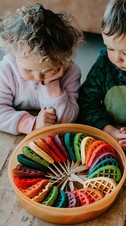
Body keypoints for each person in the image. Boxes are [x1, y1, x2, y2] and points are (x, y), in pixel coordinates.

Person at [77, 0, 126, 151]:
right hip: (108, 142)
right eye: (109, 48)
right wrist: (109, 131)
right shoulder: (105, 64)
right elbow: (85, 103)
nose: (116, 58)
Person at [0, 3, 84, 135]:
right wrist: (30, 124)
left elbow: (67, 119)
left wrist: (52, 85)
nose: (38, 78)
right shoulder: (6, 71)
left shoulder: (71, 72)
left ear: (63, 60)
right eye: (28, 70)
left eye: (47, 70)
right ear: (14, 53)